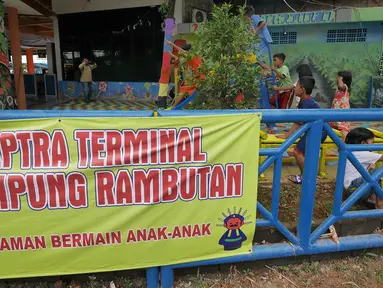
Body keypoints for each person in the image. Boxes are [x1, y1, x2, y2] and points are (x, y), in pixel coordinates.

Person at [279, 76, 328, 184]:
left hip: (318, 132)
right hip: (316, 131)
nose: (294, 88)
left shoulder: (306, 103)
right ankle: (306, 176)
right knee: (304, 153)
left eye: (296, 87)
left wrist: (288, 135)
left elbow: (297, 123)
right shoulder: (306, 101)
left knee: (297, 152)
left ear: (302, 89)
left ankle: (307, 178)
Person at [344, 127, 383, 209]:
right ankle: (380, 205)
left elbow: (343, 141)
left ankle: (371, 200)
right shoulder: (362, 153)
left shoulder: (348, 150)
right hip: (356, 187)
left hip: (350, 188)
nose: (373, 145)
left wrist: (344, 133)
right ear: (363, 143)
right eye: (372, 143)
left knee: (371, 174)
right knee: (376, 175)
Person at [166, 41, 204, 108]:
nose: (180, 54)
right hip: (196, 78)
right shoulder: (189, 58)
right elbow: (179, 59)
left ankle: (176, 106)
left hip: (200, 77)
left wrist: (172, 44)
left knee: (191, 91)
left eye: (182, 53)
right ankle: (174, 107)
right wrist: (172, 55)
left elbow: (181, 51)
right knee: (184, 90)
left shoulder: (191, 55)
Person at [329, 71, 352, 141]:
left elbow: (341, 84)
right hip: (336, 111)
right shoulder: (339, 90)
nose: (337, 78)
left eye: (338, 77)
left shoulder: (344, 87)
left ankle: (344, 143)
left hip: (342, 113)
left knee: (343, 130)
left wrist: (340, 78)